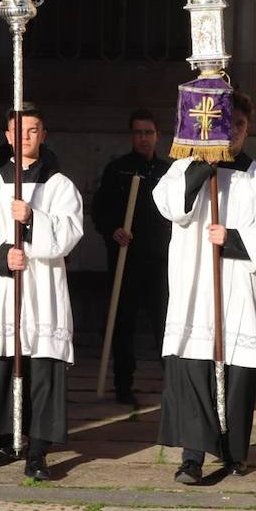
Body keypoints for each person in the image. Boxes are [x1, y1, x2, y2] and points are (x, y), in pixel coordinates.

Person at [152, 91, 256, 484]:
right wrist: (201, 168)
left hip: (239, 287)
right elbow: (170, 206)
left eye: (241, 126)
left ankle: (234, 452)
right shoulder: (182, 168)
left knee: (238, 374)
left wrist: (230, 238)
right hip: (197, 286)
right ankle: (192, 457)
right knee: (193, 367)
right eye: (228, 126)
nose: (234, 134)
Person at [0, 105, 83, 481]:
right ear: (8, 136)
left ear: (43, 135)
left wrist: (31, 220)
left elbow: (70, 232)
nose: (26, 137)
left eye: (34, 130)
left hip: (42, 291)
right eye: (19, 131)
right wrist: (0, 255)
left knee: (41, 367)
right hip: (3, 293)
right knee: (2, 365)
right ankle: (4, 439)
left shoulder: (60, 186)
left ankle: (38, 449)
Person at [93, 109, 172, 404]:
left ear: (157, 135)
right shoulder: (118, 170)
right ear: (131, 136)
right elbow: (100, 209)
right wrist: (113, 230)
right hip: (126, 259)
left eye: (148, 132)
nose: (143, 138)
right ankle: (123, 385)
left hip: (159, 261)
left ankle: (174, 383)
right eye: (138, 132)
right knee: (122, 323)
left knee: (165, 323)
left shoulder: (168, 172)